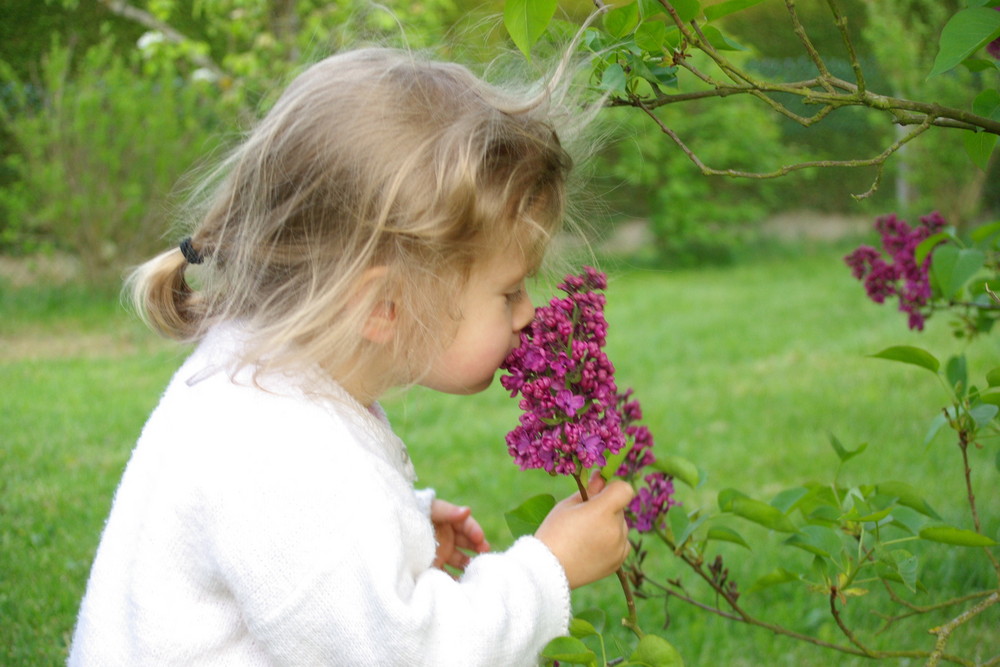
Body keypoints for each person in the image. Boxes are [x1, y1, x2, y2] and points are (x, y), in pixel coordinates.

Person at [69, 47, 634, 666]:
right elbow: (407, 656)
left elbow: (277, 546)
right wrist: (546, 570)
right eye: (508, 291)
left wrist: (393, 529)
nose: (529, 313)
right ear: (383, 305)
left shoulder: (256, 383)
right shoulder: (286, 455)